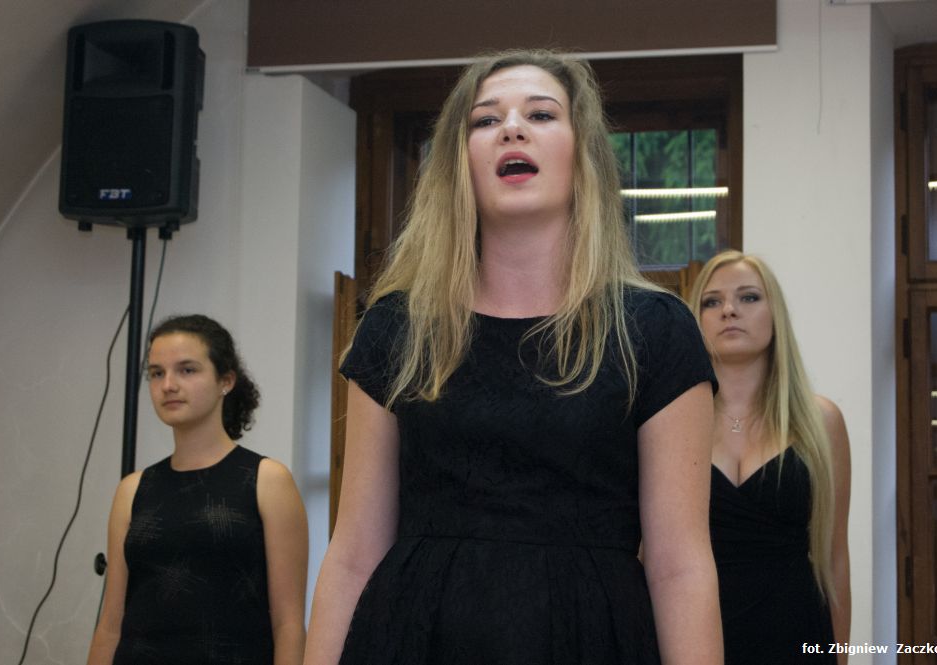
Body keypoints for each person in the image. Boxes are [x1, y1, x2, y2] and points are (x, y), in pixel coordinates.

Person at [304, 49, 722, 665]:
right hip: (412, 638)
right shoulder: (397, 326)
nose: (512, 129)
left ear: (583, 155)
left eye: (541, 114)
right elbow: (352, 554)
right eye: (486, 120)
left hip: (590, 639)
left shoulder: (655, 331)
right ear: (459, 163)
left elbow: (680, 566)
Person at [86, 314, 309, 665]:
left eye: (187, 370)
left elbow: (289, 624)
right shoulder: (132, 490)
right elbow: (111, 625)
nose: (168, 385)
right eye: (156, 373)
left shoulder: (268, 480)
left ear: (226, 380)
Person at [687, 251, 851, 664]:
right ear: (695, 320)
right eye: (711, 301)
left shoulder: (821, 422)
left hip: (796, 632)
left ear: (775, 313)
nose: (729, 310)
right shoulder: (672, 423)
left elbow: (834, 559)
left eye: (748, 297)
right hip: (696, 633)